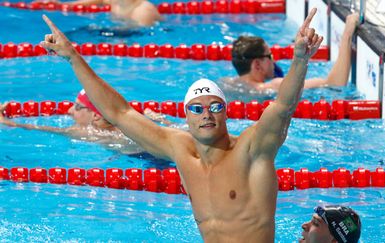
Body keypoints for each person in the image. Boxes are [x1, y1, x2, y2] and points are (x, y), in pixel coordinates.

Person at [40, 6, 323, 241]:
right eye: (197, 109)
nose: (206, 115)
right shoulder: (180, 150)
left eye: (215, 107)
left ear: (225, 112)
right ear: (186, 116)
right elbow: (120, 113)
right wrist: (73, 58)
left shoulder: (252, 149)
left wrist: (300, 59)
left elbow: (283, 108)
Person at [0, 89, 171, 155]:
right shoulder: (133, 124)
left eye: (77, 107)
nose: (69, 111)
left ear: (96, 116)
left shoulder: (90, 132)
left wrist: (7, 122)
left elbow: (38, 128)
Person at [230, 13, 360, 91]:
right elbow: (335, 84)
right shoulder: (273, 87)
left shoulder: (228, 83)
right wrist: (348, 34)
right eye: (269, 56)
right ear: (257, 65)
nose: (273, 61)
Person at [35, 0, 162, 26]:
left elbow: (142, 35)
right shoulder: (115, 1)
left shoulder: (143, 11)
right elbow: (97, 0)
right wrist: (61, 5)